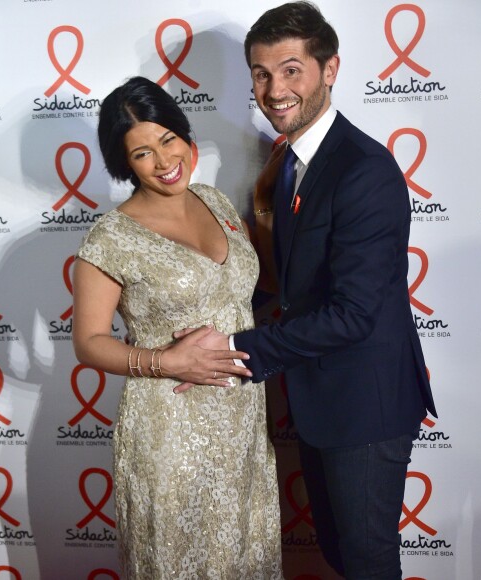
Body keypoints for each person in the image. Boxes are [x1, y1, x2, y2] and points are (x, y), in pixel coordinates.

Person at [173, 3, 437, 579]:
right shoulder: (289, 164)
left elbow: (353, 314)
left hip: (366, 403)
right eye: (262, 74)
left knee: (366, 563)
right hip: (319, 399)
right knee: (342, 556)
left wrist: (232, 352)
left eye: (292, 70)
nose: (275, 89)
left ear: (330, 69)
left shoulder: (363, 168)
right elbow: (293, 290)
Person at [72, 76, 283, 579]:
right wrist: (167, 360)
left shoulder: (216, 201)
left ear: (186, 136)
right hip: (169, 430)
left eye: (168, 139)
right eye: (142, 153)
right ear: (125, 164)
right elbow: (88, 343)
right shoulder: (110, 238)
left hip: (243, 425)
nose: (164, 161)